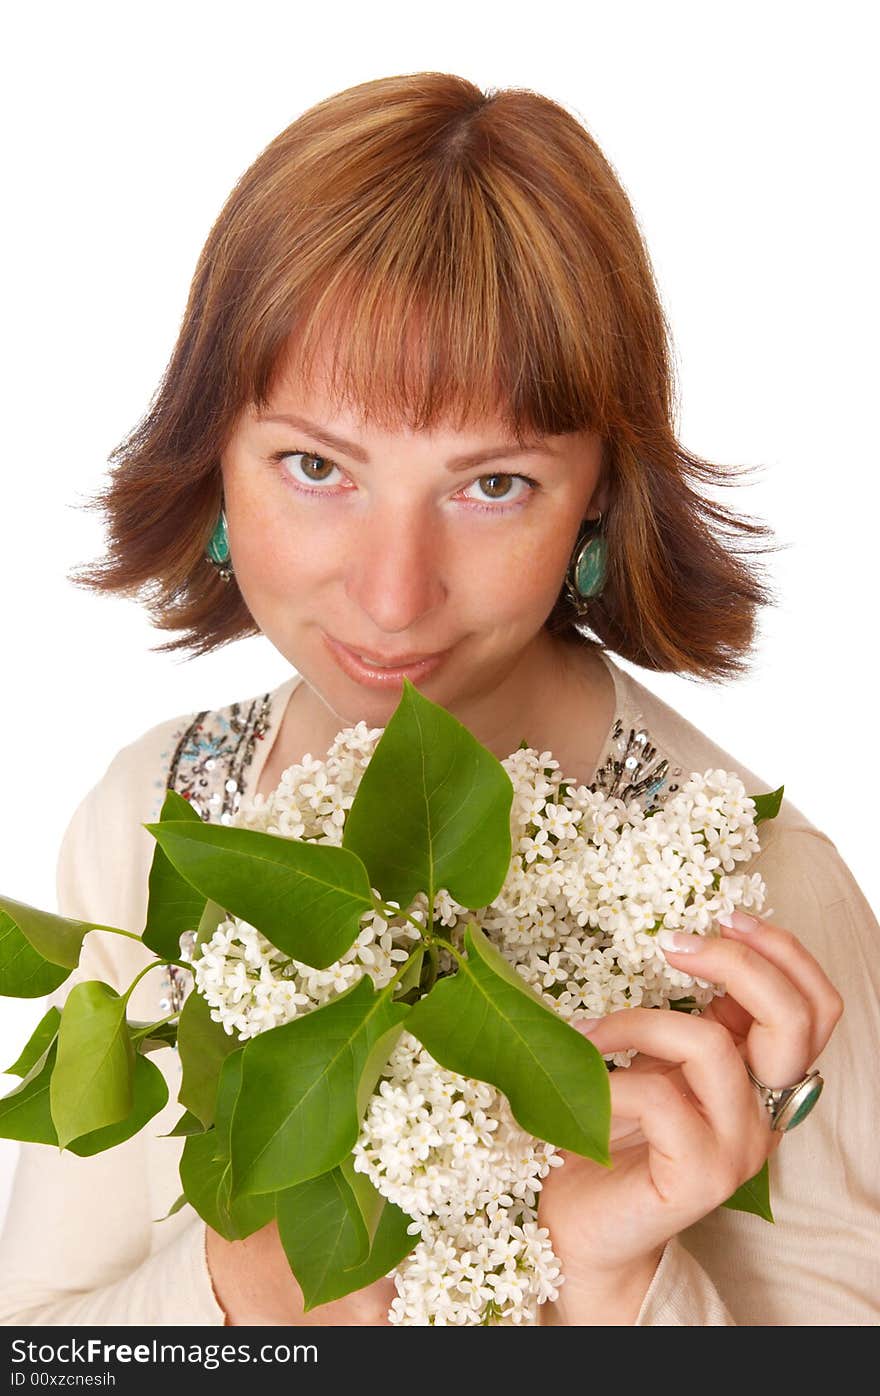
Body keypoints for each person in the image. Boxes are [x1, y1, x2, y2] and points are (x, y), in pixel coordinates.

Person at [0, 71, 876, 1328]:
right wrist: (248, 1287)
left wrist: (612, 1279)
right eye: (316, 466)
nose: (394, 594)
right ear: (213, 465)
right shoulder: (153, 814)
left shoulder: (759, 901)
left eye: (493, 485)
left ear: (599, 498)